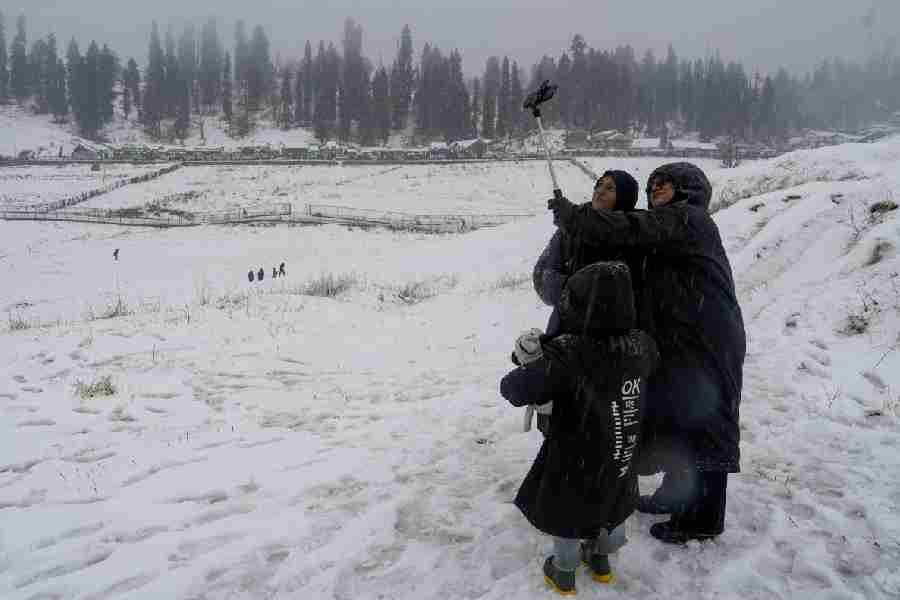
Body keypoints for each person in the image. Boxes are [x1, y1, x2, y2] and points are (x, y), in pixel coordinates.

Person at [548, 162, 746, 544]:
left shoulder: (689, 219)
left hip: (707, 339)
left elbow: (632, 227)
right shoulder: (669, 226)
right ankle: (677, 494)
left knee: (706, 421)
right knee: (681, 416)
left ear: (687, 190)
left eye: (664, 184)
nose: (655, 189)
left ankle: (704, 518)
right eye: (652, 184)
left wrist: (578, 216)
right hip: (681, 337)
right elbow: (629, 233)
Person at [501, 262, 658, 595]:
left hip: (576, 459)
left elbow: (514, 389)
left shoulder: (570, 353)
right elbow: (636, 362)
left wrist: (535, 361)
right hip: (622, 453)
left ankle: (564, 572)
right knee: (613, 506)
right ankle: (601, 560)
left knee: (569, 514)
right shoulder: (641, 345)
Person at [533, 170, 641, 337]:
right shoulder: (569, 229)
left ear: (624, 197)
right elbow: (541, 275)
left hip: (610, 341)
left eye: (610, 188)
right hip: (563, 333)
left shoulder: (632, 235)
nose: (600, 191)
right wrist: (571, 291)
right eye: (598, 185)